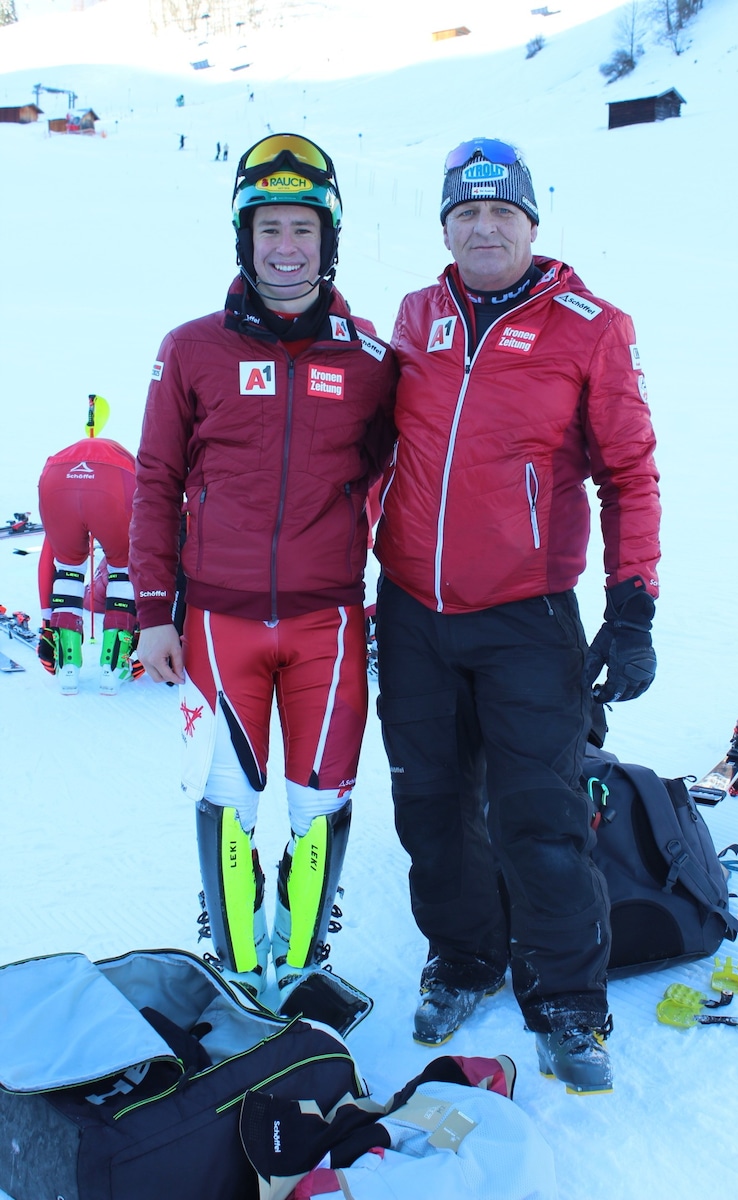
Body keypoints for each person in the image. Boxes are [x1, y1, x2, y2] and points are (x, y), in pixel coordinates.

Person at [374, 137, 661, 1092]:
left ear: (532, 223)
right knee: (430, 805)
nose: (484, 228)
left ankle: (569, 1002)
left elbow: (628, 474)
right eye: (467, 213)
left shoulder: (590, 325)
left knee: (542, 817)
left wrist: (632, 605)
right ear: (446, 226)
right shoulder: (415, 318)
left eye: (503, 213)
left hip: (528, 616)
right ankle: (463, 958)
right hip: (411, 608)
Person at [128, 134, 396, 1021]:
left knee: (321, 803)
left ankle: (305, 951)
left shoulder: (368, 359)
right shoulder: (192, 349)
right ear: (244, 238)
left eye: (303, 230)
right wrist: (150, 612)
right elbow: (156, 481)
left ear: (331, 240)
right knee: (228, 798)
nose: (287, 247)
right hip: (216, 622)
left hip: (328, 621)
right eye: (269, 228)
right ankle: (241, 963)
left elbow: (410, 479)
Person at [37, 434, 139, 696]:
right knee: (123, 569)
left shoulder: (64, 454)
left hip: (56, 476)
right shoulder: (129, 460)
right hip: (116, 478)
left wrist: (47, 625)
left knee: (67, 568)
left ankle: (67, 664)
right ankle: (114, 665)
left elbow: (46, 559)